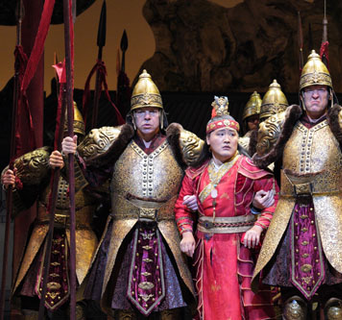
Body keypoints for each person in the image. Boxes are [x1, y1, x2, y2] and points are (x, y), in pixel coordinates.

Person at [251, 50, 342, 319]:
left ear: (330, 93)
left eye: (320, 89)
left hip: (335, 218)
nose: (315, 95)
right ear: (302, 95)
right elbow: (258, 165)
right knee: (292, 306)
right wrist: (256, 204)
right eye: (309, 90)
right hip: (291, 217)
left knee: (335, 308)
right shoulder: (284, 126)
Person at [60, 70, 204, 319]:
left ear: (162, 115)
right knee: (123, 308)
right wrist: (69, 157)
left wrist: (197, 198)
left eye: (153, 111)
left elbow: (206, 178)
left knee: (170, 308)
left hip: (167, 232)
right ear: (132, 116)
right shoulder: (117, 144)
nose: (147, 116)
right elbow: (88, 181)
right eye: (141, 111)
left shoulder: (179, 144)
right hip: (124, 234)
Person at [175, 96, 278, 320]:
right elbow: (181, 206)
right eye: (220, 134)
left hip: (241, 249)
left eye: (232, 134)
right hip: (208, 249)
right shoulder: (195, 173)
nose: (227, 139)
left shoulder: (251, 168)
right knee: (212, 305)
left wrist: (257, 228)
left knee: (247, 306)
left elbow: (274, 201)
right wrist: (186, 233)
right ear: (208, 139)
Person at [1, 103, 101, 318]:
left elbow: (103, 193)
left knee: (80, 302)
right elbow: (22, 197)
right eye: (65, 135)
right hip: (43, 238)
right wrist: (10, 184)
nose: (70, 139)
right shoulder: (44, 160)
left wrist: (73, 163)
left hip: (79, 238)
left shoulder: (93, 165)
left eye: (75, 136)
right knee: (32, 299)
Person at [238, 91, 262, 156]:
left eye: (259, 119)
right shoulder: (240, 142)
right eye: (252, 119)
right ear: (246, 123)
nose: (256, 122)